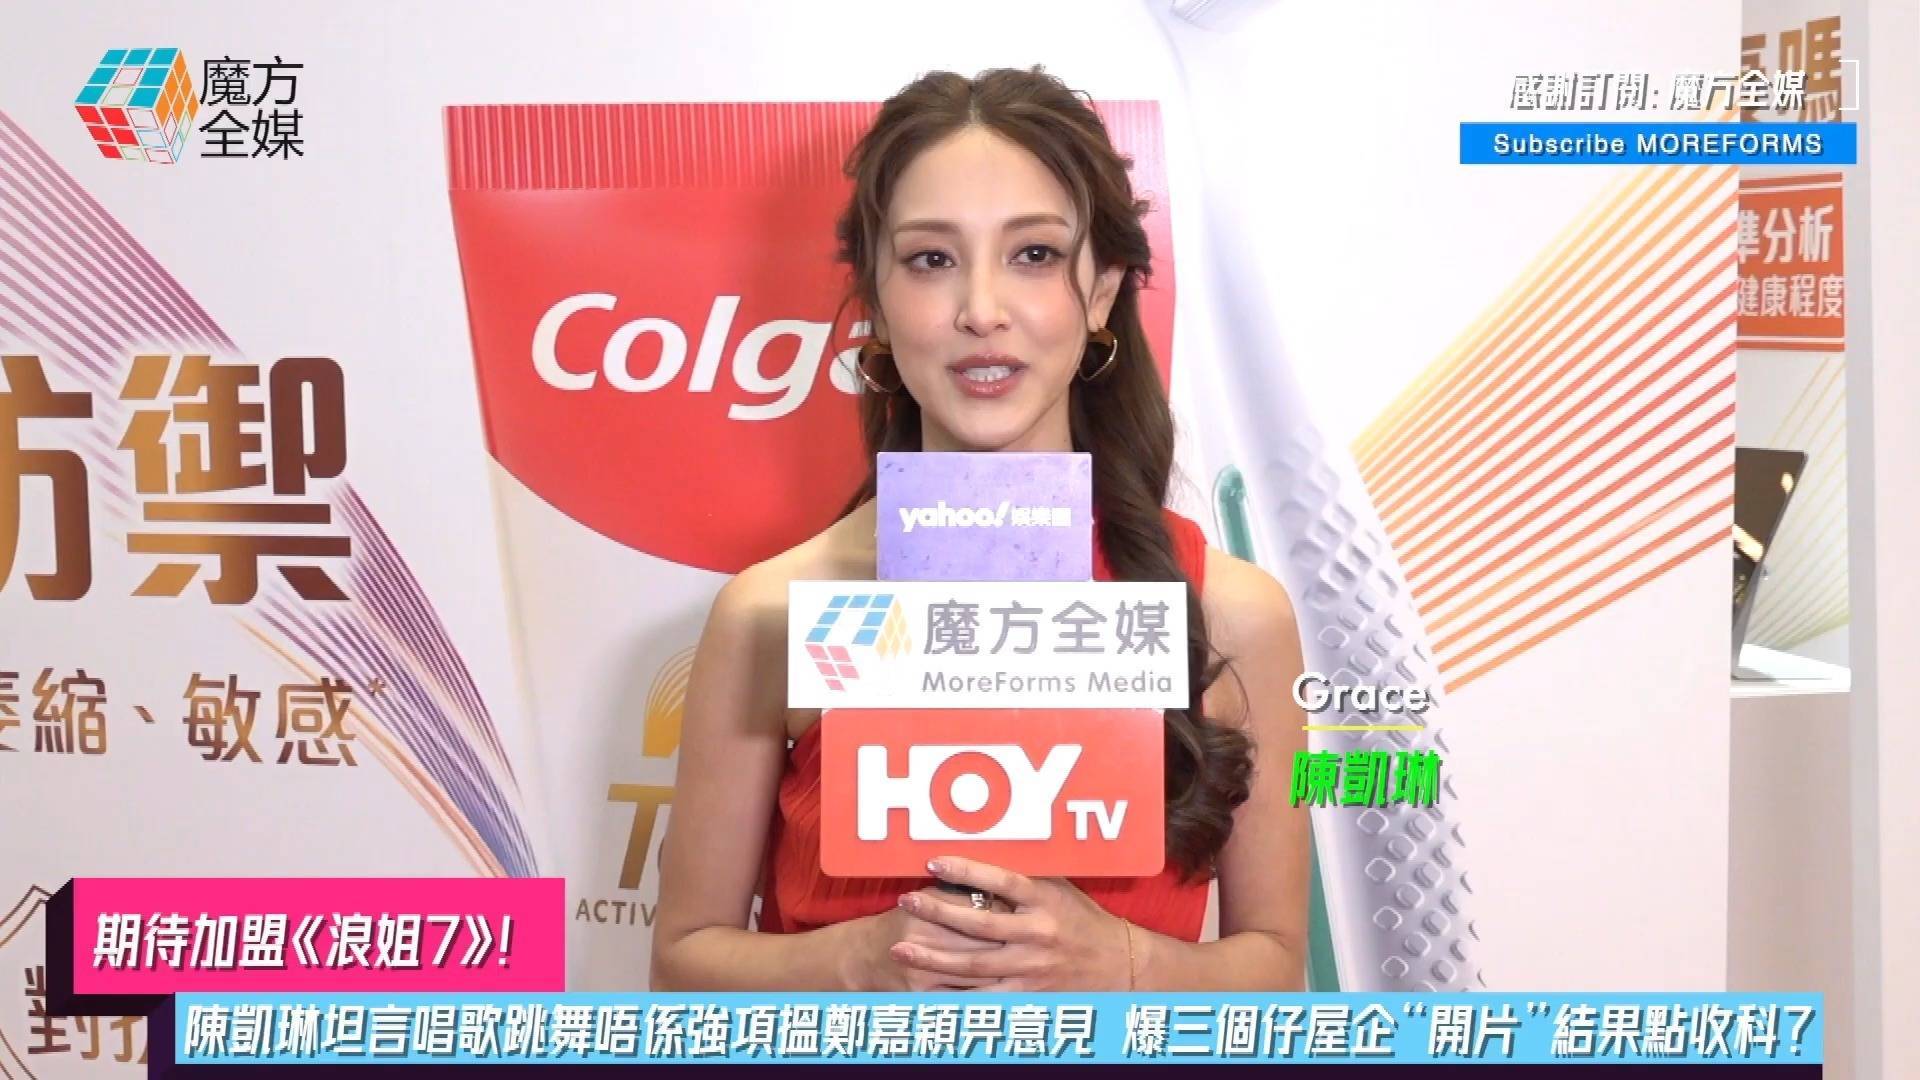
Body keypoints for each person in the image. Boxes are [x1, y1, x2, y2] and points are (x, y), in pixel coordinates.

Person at [651, 66, 1309, 992]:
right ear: (876, 301)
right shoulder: (776, 611)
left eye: (1034, 254)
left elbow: (1275, 966)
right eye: (932, 260)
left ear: (1102, 291)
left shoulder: (1232, 613)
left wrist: (1119, 963)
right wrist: (857, 959)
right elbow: (683, 963)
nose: (982, 311)